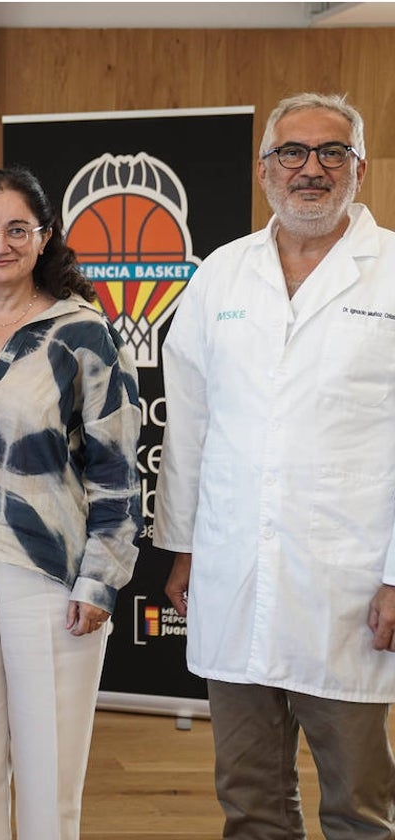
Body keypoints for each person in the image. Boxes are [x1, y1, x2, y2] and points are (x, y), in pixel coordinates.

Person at [155, 92, 395, 839]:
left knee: (358, 802)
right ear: (264, 169)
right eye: (293, 152)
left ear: (358, 169)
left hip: (347, 584)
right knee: (249, 795)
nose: (311, 169)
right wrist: (184, 545)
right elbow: (188, 418)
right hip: (234, 570)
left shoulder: (389, 271)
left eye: (331, 153)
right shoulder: (223, 275)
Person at [0, 167, 141, 840]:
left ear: (45, 239)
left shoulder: (84, 334)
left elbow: (119, 471)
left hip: (49, 571)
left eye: (18, 229)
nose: (0, 243)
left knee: (49, 779)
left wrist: (101, 578)